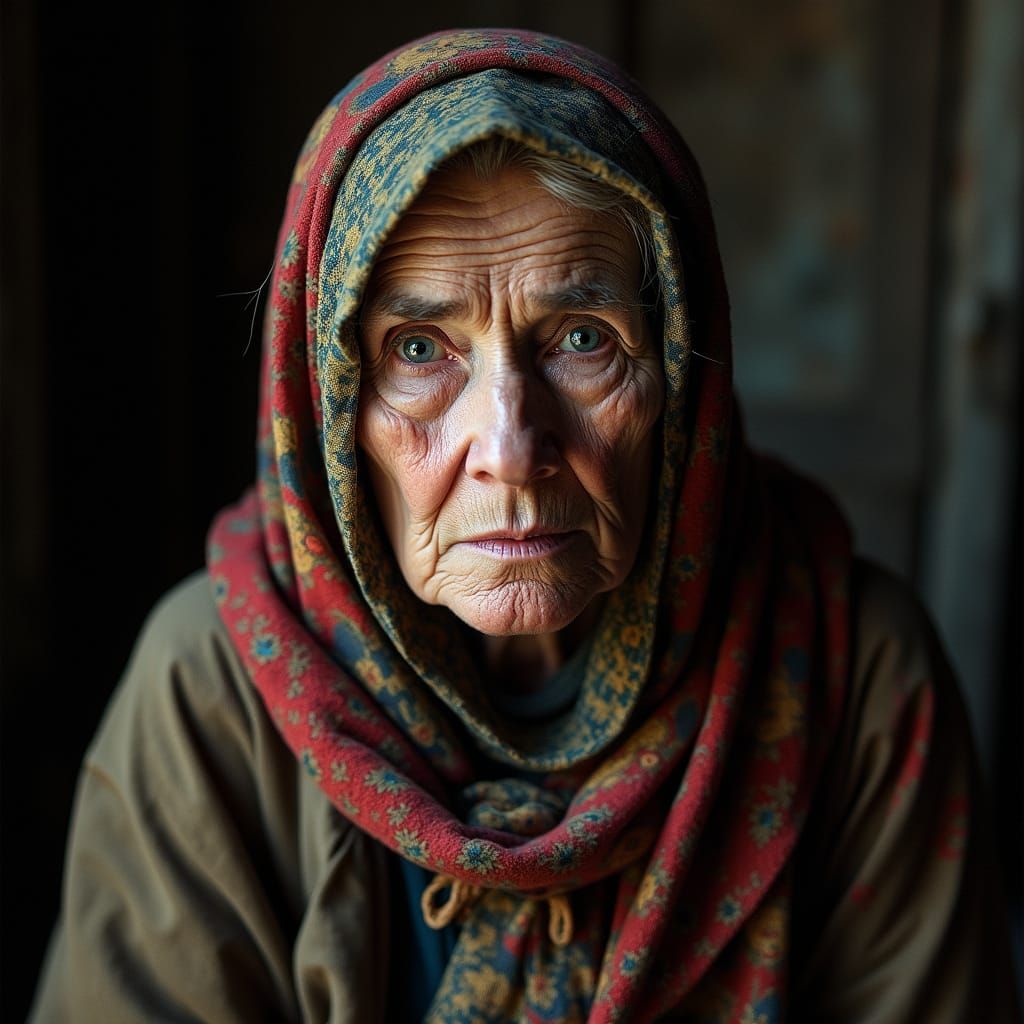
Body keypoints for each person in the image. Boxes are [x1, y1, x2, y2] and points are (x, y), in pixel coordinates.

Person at [30, 28, 1019, 1023]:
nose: (509, 442)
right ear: (328, 407)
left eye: (583, 339)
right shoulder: (211, 687)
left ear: (679, 370)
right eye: (419, 349)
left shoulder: (851, 673)